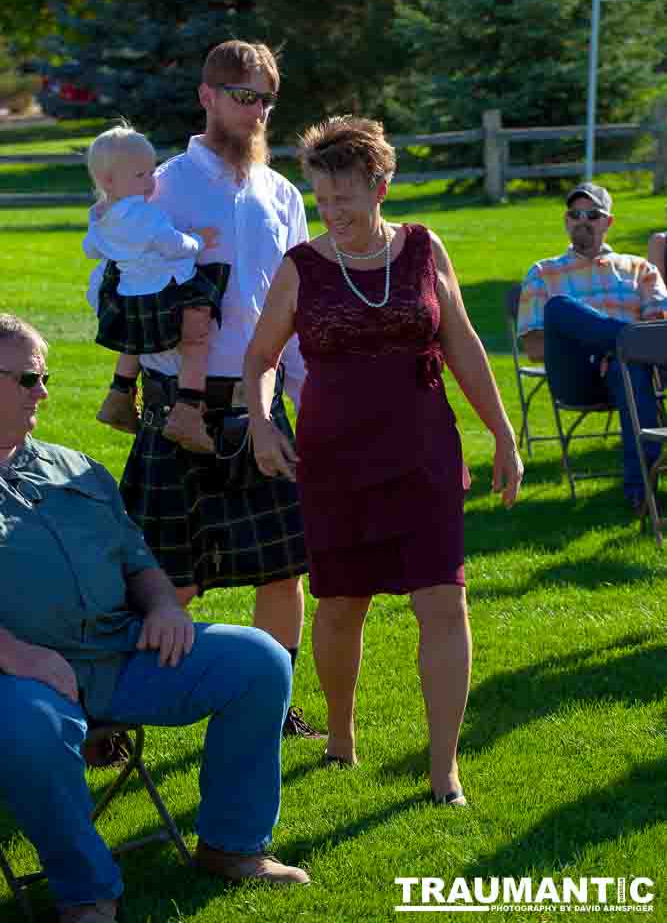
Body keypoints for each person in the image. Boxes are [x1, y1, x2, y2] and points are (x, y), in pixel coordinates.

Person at [243, 116, 523, 805]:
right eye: (321, 199)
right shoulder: (301, 266)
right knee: (340, 607)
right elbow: (259, 359)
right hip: (334, 458)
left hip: (423, 450)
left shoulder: (425, 250)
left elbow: (461, 345)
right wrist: (258, 421)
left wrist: (504, 436)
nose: (331, 212)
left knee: (444, 602)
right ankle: (340, 736)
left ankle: (442, 769)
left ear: (381, 186)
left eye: (344, 198)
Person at [0, 313, 310, 923]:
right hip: (20, 676)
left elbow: (136, 559)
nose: (44, 392)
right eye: (29, 379)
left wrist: (163, 603)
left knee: (258, 660)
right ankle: (87, 891)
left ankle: (232, 846)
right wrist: (17, 655)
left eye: (44, 377)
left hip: (119, 652)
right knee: (28, 731)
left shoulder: (74, 468)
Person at [118, 41, 321, 739]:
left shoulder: (281, 193)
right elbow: (111, 286)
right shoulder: (162, 186)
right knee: (169, 574)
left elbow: (291, 306)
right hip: (180, 401)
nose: (257, 110)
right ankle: (129, 709)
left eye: (266, 97)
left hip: (261, 403)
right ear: (206, 95)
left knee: (285, 565)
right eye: (244, 95)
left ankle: (274, 702)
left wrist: (304, 392)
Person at [518, 182, 667, 510]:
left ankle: (641, 491)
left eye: (593, 214)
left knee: (626, 366)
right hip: (577, 376)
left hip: (629, 372)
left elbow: (659, 330)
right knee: (559, 307)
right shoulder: (543, 272)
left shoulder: (641, 269)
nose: (582, 220)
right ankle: (625, 343)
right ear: (566, 220)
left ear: (608, 221)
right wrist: (602, 346)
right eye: (575, 214)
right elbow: (534, 347)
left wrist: (617, 353)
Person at [84, 123, 229, 454]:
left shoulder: (101, 216)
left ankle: (119, 394)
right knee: (197, 337)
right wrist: (199, 240)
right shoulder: (145, 215)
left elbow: (91, 249)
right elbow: (172, 244)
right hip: (167, 288)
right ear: (109, 181)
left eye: (151, 172)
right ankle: (189, 412)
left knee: (137, 340)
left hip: (131, 293)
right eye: (140, 176)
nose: (151, 182)